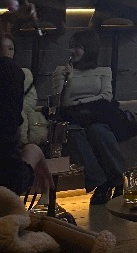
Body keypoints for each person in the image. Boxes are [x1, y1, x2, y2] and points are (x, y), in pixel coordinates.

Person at [51, 28, 126, 205]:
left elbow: (106, 96)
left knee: (97, 131)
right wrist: (66, 80)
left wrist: (79, 103)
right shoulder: (61, 71)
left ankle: (119, 179)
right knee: (74, 133)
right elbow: (59, 103)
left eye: (77, 47)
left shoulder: (104, 71)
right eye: (71, 46)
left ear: (89, 49)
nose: (72, 51)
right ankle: (101, 182)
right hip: (73, 119)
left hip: (97, 117)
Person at [0, 14, 52, 197]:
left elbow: (26, 105)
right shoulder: (10, 71)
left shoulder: (17, 73)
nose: (6, 53)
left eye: (10, 48)